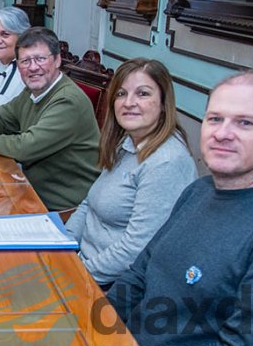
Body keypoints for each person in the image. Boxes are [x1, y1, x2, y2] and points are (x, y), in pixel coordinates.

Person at [107, 71, 253, 346]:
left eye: (245, 123)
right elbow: (139, 276)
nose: (222, 133)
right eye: (215, 119)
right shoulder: (199, 190)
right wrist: (89, 330)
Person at [63, 59, 197, 288]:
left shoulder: (166, 162)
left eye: (143, 94)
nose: (129, 102)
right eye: (121, 94)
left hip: (112, 287)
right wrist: (62, 247)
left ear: (164, 103)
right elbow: (88, 205)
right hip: (81, 265)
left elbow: (135, 250)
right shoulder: (126, 143)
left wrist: (77, 276)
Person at [0, 27, 99, 211]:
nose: (32, 67)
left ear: (57, 60)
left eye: (40, 59)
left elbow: (24, 147)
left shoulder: (67, 101)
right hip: (28, 192)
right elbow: (2, 116)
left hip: (62, 207)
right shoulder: (33, 91)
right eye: (24, 61)